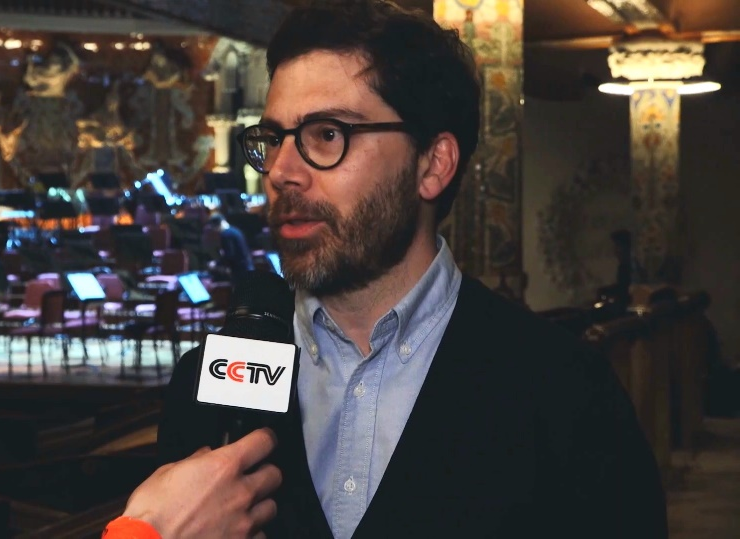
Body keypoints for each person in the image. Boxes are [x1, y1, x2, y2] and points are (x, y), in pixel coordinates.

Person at [159, 2, 666, 538]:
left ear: (432, 164)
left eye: (327, 134)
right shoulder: (208, 384)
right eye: (273, 139)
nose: (281, 171)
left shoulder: (566, 391)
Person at [207, 213, 255, 284]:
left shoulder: (226, 234)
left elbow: (229, 255)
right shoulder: (236, 231)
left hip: (239, 272)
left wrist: (217, 264)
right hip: (248, 267)